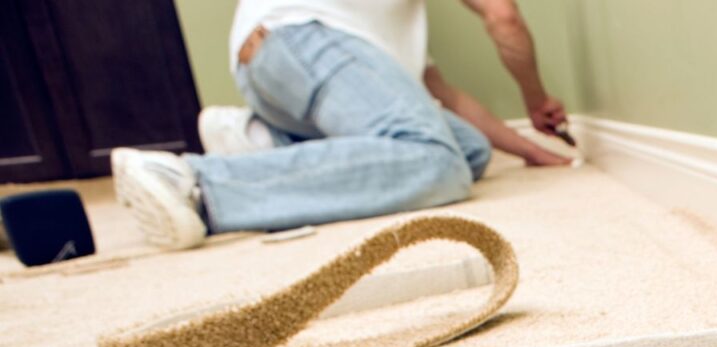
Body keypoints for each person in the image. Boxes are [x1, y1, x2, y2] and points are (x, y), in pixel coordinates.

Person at [111, 0, 572, 251]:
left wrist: (531, 150)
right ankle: (196, 182)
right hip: (303, 37)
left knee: (467, 148)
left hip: (274, 67)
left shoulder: (384, 31)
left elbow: (444, 95)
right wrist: (536, 99)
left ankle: (263, 140)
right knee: (436, 162)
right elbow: (503, 16)